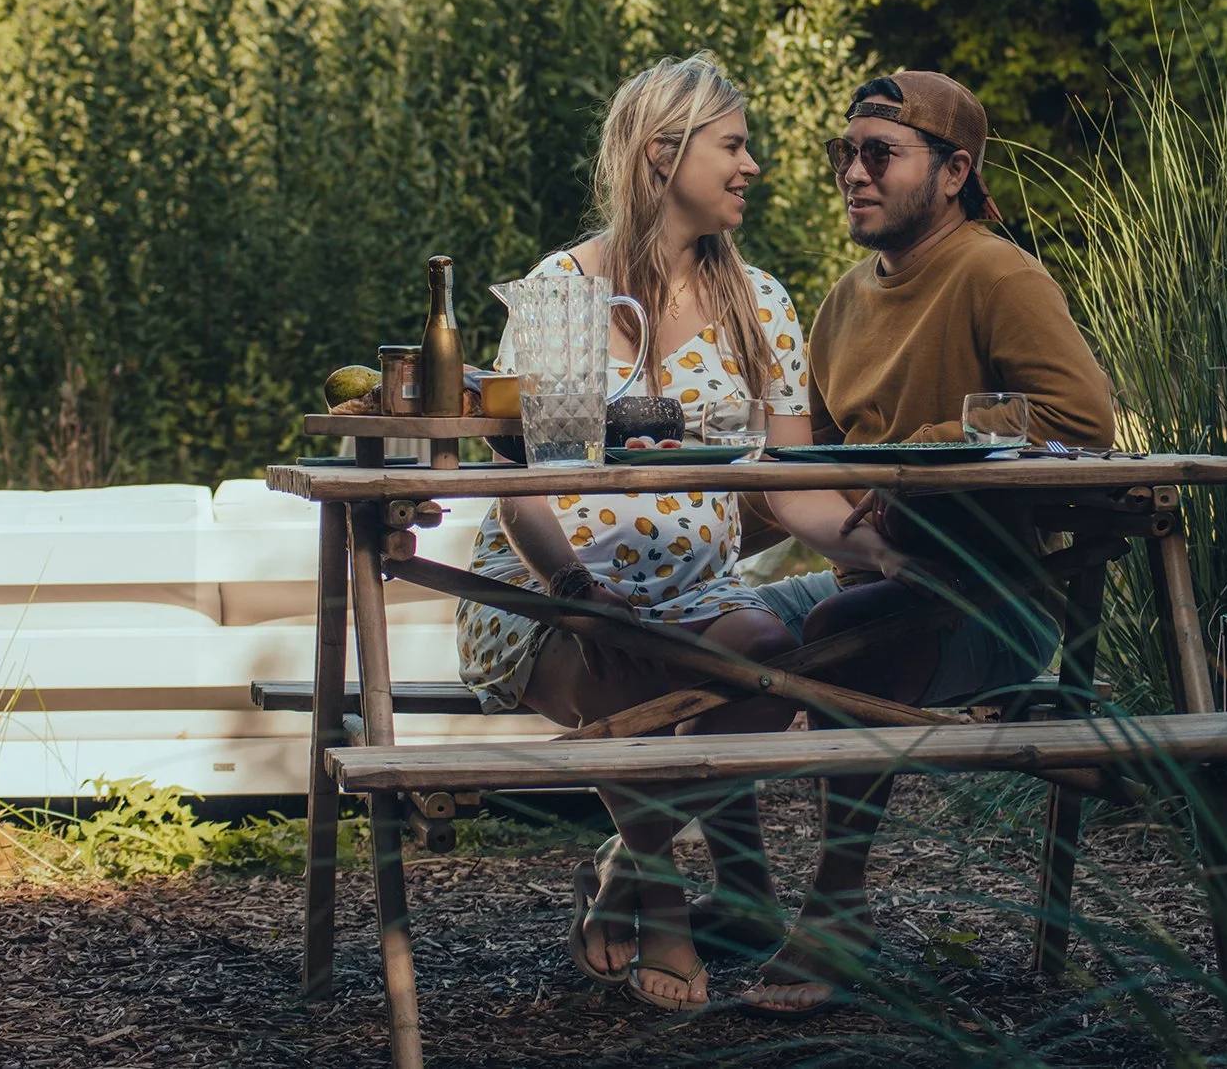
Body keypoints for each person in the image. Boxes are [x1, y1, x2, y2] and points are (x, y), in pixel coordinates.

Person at [455, 53, 906, 1011]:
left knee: (768, 646)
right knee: (631, 672)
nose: (753, 167)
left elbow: (789, 491)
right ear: (664, 155)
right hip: (551, 596)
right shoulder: (562, 295)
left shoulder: (762, 305)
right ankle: (661, 899)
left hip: (701, 601)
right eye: (733, 146)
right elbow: (524, 488)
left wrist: (873, 552)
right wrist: (578, 597)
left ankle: (629, 867)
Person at [740, 70, 1117, 1016]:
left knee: (839, 624)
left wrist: (917, 460)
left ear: (952, 173)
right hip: (872, 580)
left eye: (879, 154)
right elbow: (809, 466)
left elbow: (1083, 417)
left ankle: (835, 913)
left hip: (996, 603)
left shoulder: (997, 273)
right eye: (844, 153)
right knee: (711, 625)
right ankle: (709, 891)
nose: (853, 174)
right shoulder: (842, 302)